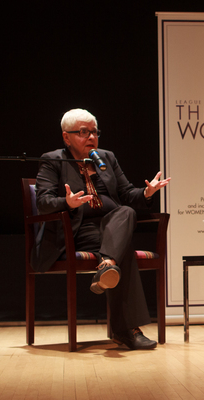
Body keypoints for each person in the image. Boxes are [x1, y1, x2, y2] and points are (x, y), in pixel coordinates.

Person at [31, 108, 171, 349]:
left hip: (111, 227)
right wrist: (68, 202)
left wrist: (147, 192)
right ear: (66, 137)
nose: (91, 137)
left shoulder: (106, 158)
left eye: (94, 132)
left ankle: (107, 265)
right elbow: (43, 202)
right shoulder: (53, 160)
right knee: (122, 249)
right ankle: (127, 330)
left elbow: (127, 195)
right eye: (83, 132)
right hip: (76, 231)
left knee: (126, 212)